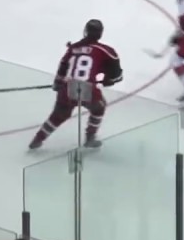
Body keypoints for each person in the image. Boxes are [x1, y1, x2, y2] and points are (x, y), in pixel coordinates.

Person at [29, 19, 122, 149]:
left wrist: (57, 83)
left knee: (58, 116)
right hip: (87, 89)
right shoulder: (106, 51)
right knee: (98, 108)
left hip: (67, 87)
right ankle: (90, 138)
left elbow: (63, 67)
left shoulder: (73, 48)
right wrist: (110, 80)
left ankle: (37, 140)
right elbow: (116, 74)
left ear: (85, 31)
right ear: (100, 33)